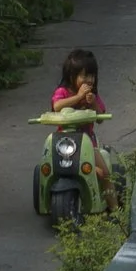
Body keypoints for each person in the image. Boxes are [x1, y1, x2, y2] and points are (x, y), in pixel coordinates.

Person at [48, 47, 115, 204]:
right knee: (48, 168)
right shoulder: (62, 91)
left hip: (87, 143)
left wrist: (92, 105)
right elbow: (57, 106)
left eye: (92, 75)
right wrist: (78, 97)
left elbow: (100, 117)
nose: (89, 80)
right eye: (84, 75)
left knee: (104, 172)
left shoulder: (92, 96)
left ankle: (115, 210)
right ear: (72, 76)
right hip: (64, 142)